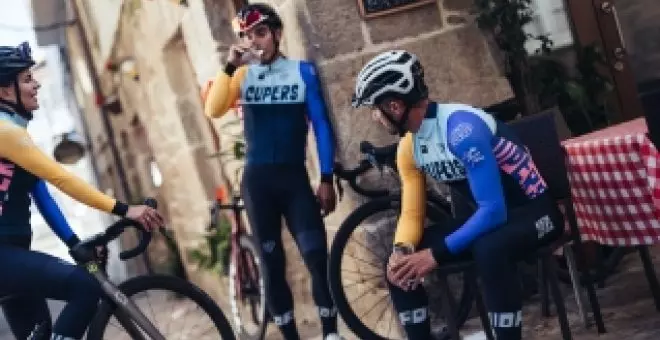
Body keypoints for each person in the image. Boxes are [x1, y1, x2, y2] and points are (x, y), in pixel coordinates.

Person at [351, 50, 564, 340]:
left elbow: (493, 210)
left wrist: (435, 255)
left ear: (395, 105)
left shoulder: (462, 130)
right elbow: (413, 212)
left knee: (490, 249)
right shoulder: (409, 147)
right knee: (400, 267)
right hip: (492, 221)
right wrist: (403, 249)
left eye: (375, 109)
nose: (375, 117)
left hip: (536, 213)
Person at [0, 41, 164, 340]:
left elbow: (42, 195)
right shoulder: (5, 132)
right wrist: (126, 209)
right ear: (4, 91)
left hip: (12, 254)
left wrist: (74, 243)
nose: (36, 84)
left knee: (40, 332)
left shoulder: (14, 134)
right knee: (85, 286)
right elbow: (63, 178)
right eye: (26, 79)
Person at [203, 3, 341, 340]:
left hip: (294, 179)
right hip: (258, 183)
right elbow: (213, 108)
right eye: (248, 36)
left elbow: (322, 126)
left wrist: (326, 177)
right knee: (272, 264)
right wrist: (230, 65)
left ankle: (331, 332)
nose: (255, 41)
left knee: (316, 256)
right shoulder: (242, 76)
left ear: (277, 34)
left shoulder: (302, 71)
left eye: (261, 33)